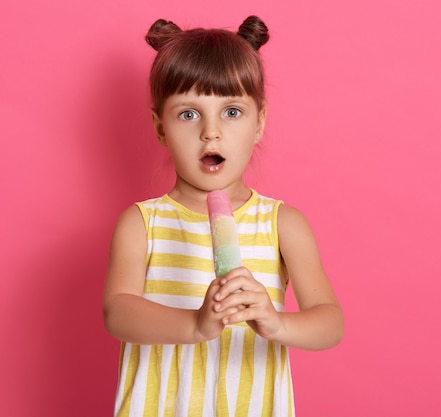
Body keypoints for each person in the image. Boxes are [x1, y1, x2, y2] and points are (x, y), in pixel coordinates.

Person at [103, 15, 344, 417]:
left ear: (259, 122)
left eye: (231, 112)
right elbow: (117, 312)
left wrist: (275, 322)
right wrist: (196, 325)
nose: (210, 133)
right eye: (188, 114)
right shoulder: (142, 223)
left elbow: (330, 323)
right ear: (160, 127)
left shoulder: (282, 224)